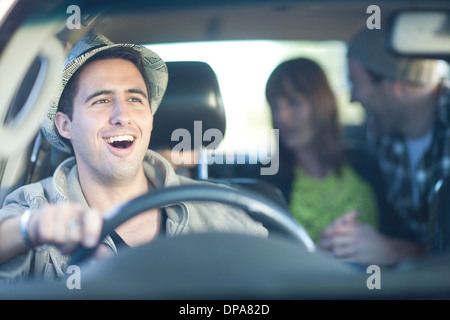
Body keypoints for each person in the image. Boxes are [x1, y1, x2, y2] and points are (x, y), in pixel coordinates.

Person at [0, 34, 267, 283]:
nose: (123, 115)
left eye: (135, 99)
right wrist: (30, 230)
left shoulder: (220, 209)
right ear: (65, 125)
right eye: (102, 100)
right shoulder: (35, 207)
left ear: (150, 119)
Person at [318, 28, 450, 266]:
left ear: (393, 83)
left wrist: (393, 251)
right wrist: (350, 239)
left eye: (355, 83)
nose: (352, 98)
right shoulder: (382, 137)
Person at [264, 57, 379, 245]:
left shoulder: (365, 164)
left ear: (321, 105)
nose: (281, 117)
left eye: (293, 103)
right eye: (275, 106)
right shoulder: (268, 180)